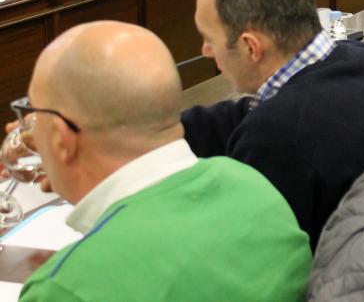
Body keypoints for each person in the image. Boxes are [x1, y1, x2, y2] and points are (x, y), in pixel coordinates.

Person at [17, 21, 312, 302]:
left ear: (61, 138)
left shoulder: (65, 288)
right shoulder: (257, 190)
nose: (27, 126)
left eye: (33, 114)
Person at [182, 0, 364, 251]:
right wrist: (166, 129)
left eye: (209, 39)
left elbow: (246, 255)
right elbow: (256, 112)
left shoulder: (277, 137)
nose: (205, 51)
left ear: (251, 47)